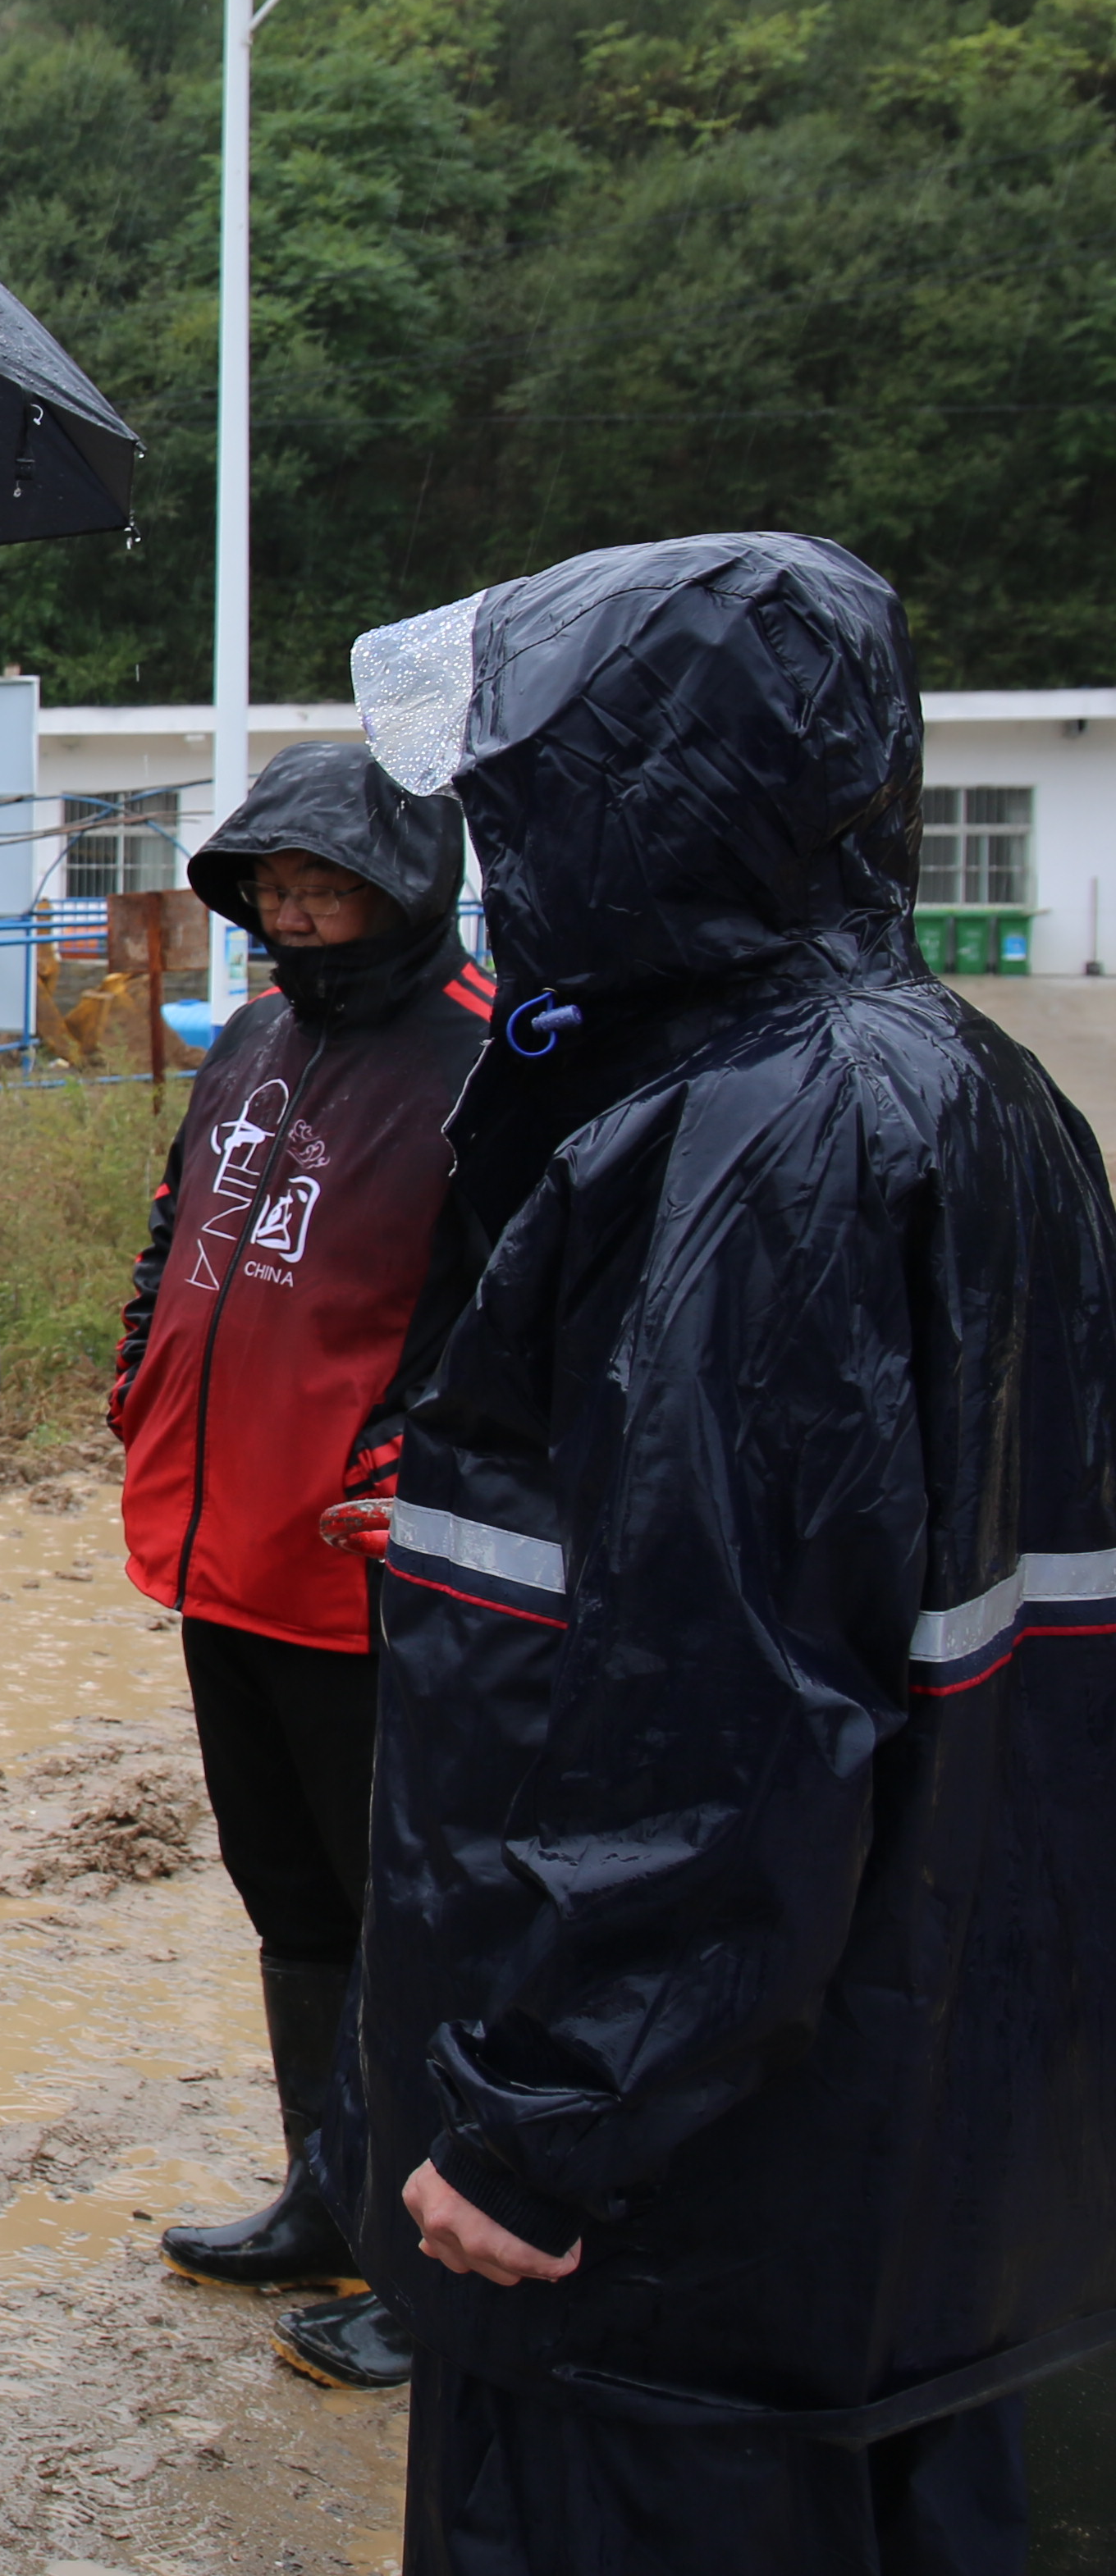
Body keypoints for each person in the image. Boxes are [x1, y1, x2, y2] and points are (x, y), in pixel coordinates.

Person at [342, 532, 1116, 2575]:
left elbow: (724, 1708)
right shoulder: (975, 1090)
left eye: (527, 789)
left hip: (682, 2234)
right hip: (908, 2145)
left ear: (655, 795)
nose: (496, 843)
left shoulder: (761, 1139)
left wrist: (538, 2115)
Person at [103, 742, 489, 2396]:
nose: (299, 916)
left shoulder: (492, 1060)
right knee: (295, 1905)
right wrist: (134, 1375)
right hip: (223, 1539)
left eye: (330, 890)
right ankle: (325, 2195)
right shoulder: (254, 1038)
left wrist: (421, 1464)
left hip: (369, 1577)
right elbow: (178, 1225)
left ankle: (431, 2263)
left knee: (416, 1922)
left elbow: (521, 1315)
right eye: (275, 889)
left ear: (408, 894)